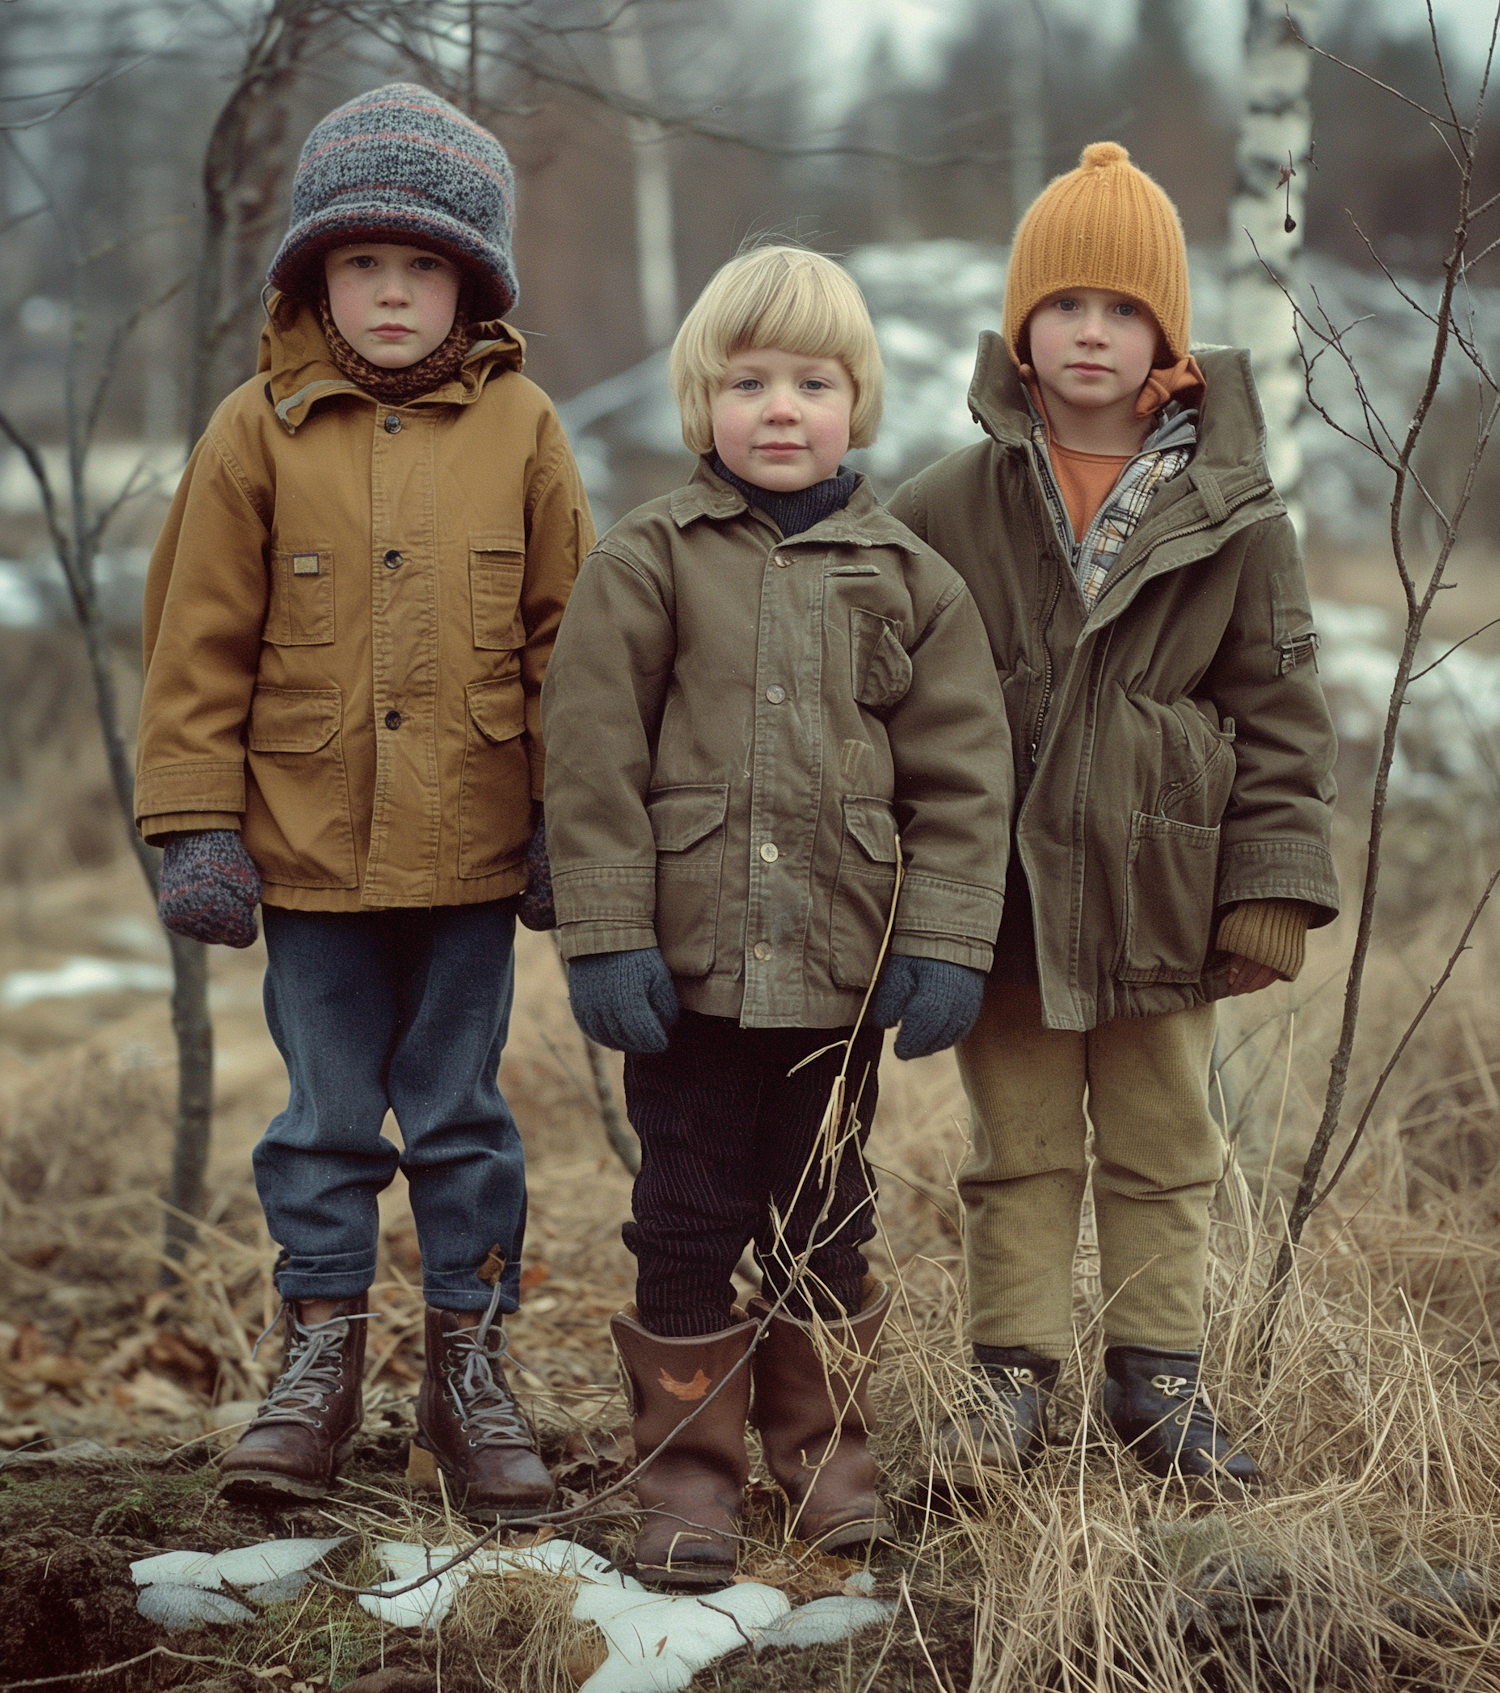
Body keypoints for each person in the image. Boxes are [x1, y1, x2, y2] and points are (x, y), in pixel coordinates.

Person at [134, 83, 594, 1515]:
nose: (391, 294)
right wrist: (197, 822)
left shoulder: (523, 428)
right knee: (325, 1116)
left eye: (423, 266)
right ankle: (319, 1361)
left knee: (461, 1115)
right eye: (362, 264)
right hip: (306, 855)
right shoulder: (254, 430)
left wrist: (569, 829)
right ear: (311, 274)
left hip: (470, 852)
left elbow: (565, 641)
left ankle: (471, 1367)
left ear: (473, 280)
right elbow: (195, 636)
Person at [541, 245, 1010, 1586]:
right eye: (749, 381)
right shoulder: (648, 559)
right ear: (705, 402)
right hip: (681, 979)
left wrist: (942, 940)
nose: (782, 408)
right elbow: (588, 759)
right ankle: (687, 1469)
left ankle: (825, 1448)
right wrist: (608, 931)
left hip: (839, 974)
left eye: (812, 381)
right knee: (684, 1209)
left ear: (856, 400)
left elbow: (964, 775)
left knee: (825, 1211)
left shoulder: (909, 577)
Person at [888, 142, 1339, 1499]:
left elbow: (1280, 703)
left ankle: (1161, 1382)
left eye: (1124, 309)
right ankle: (1008, 1379)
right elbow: (883, 677)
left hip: (1165, 888)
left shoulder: (1234, 508)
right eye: (1066, 304)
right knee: (1015, 1143)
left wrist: (1270, 885)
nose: (1093, 331)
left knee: (1163, 1144)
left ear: (1167, 336)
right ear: (1021, 325)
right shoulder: (950, 499)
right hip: (1008, 900)